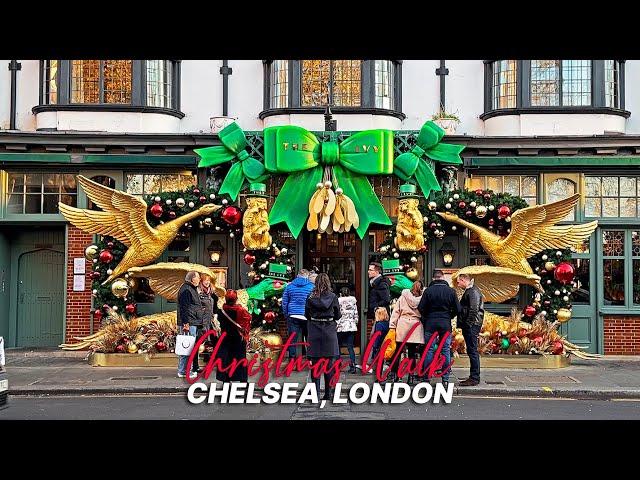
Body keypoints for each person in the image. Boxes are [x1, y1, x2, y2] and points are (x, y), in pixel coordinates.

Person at [418, 270, 461, 389]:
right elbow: (458, 309)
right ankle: (445, 379)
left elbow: (421, 308)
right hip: (445, 323)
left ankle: (426, 378)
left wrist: (428, 316)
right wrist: (449, 315)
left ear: (433, 279)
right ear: (443, 278)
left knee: (429, 350)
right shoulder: (451, 291)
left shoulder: (428, 291)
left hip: (430, 323)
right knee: (445, 350)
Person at [304, 273, 341, 400]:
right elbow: (338, 315)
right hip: (329, 330)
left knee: (315, 364)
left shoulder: (310, 297)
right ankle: (328, 393)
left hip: (314, 330)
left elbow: (306, 314)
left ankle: (315, 393)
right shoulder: (333, 296)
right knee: (329, 365)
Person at [387, 280, 425, 383]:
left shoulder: (403, 297)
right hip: (415, 326)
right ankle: (411, 378)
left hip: (402, 324)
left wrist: (392, 326)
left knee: (397, 352)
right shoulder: (423, 299)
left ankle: (393, 375)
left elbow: (396, 312)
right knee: (412, 354)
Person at [216, 289, 252, 383]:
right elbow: (248, 320)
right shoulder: (241, 311)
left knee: (227, 359)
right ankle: (242, 378)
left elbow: (220, 322)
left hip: (226, 338)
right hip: (238, 338)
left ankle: (226, 378)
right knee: (240, 358)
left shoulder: (221, 312)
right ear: (236, 299)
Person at [456, 273, 485, 386]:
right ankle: (474, 376)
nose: (458, 285)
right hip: (472, 324)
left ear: (463, 280)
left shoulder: (472, 291)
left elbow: (474, 309)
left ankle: (474, 377)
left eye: (459, 282)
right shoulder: (472, 290)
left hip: (472, 325)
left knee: (472, 351)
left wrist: (468, 324)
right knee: (472, 350)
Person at [281, 268, 315, 360]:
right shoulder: (311, 287)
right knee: (309, 338)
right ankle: (310, 359)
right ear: (307, 276)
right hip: (306, 316)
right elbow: (313, 302)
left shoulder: (290, 286)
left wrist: (286, 314)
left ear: (297, 276)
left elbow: (284, 302)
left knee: (292, 340)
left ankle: (292, 360)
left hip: (292, 315)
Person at [177, 270, 204, 379]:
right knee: (187, 347)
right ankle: (183, 371)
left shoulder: (190, 289)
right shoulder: (187, 290)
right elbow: (184, 308)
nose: (199, 279)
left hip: (192, 322)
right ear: (192, 279)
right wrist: (185, 323)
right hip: (189, 323)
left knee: (188, 347)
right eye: (198, 277)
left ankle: (185, 370)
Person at [198, 273, 220, 364]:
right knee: (203, 338)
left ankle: (216, 356)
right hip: (203, 319)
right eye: (205, 280)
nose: (207, 282)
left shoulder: (211, 292)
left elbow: (215, 306)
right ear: (201, 281)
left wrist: (216, 314)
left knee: (215, 337)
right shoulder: (199, 292)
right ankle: (205, 356)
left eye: (208, 280)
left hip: (211, 319)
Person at [336, 287, 358, 374]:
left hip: (341, 326)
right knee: (350, 347)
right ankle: (352, 366)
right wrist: (355, 322)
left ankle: (338, 365)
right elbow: (356, 314)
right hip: (351, 325)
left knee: (338, 346)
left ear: (341, 293)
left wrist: (336, 324)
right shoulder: (353, 301)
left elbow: (337, 314)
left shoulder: (338, 301)